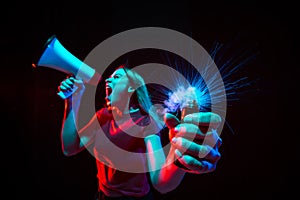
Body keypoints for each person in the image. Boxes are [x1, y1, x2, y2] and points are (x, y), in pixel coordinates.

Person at [57, 63, 223, 200]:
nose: (108, 79)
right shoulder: (103, 117)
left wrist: (180, 154)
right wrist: (72, 100)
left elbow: (161, 182)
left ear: (131, 88)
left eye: (116, 77)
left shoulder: (145, 123)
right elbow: (70, 147)